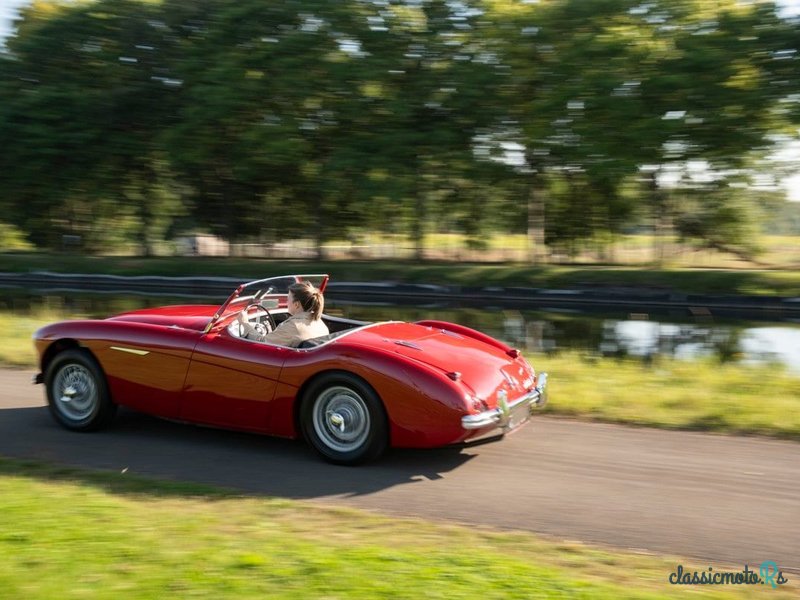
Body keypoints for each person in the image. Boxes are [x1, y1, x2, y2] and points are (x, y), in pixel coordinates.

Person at [239, 281, 329, 347]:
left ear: (296, 304)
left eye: (288, 299)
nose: (286, 302)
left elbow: (262, 342)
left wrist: (245, 323)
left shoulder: (293, 326)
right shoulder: (320, 323)